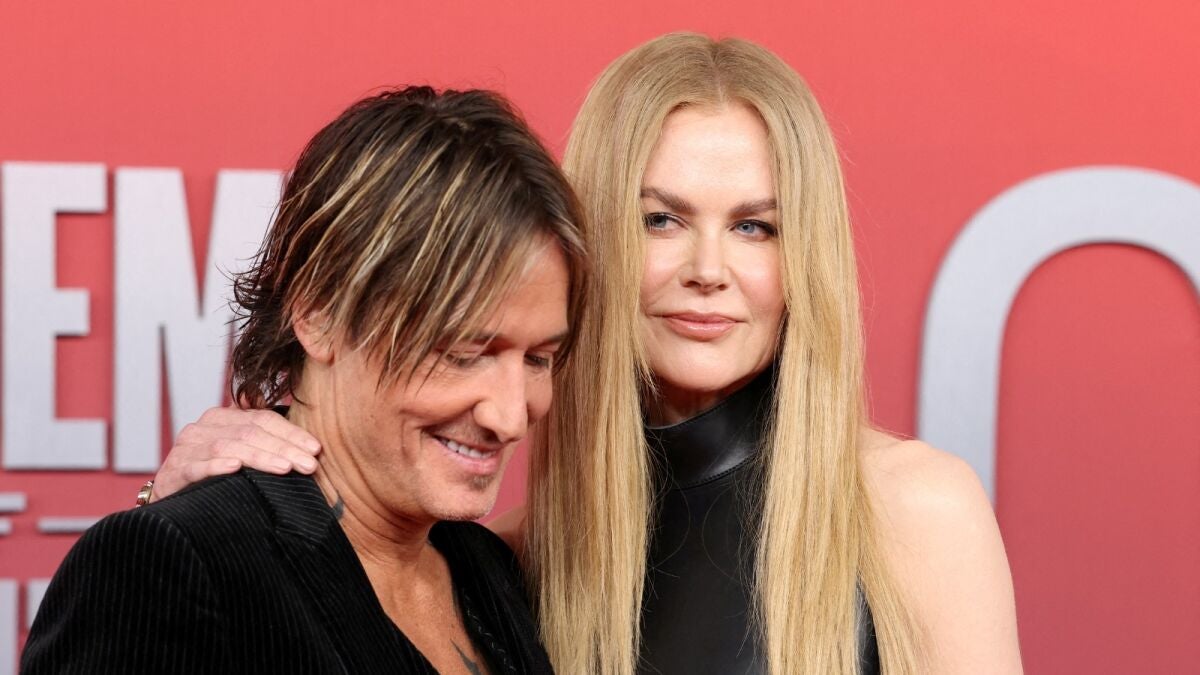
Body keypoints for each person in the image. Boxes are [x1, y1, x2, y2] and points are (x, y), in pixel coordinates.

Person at [148, 34, 1023, 674]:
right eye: (661, 220)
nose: (709, 269)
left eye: (755, 227)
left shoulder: (912, 511)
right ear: (588, 242)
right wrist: (173, 509)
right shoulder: (506, 562)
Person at [22, 86, 589, 674]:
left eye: (537, 359)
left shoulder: (490, 570)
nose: (509, 416)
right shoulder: (175, 565)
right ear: (320, 314)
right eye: (463, 353)